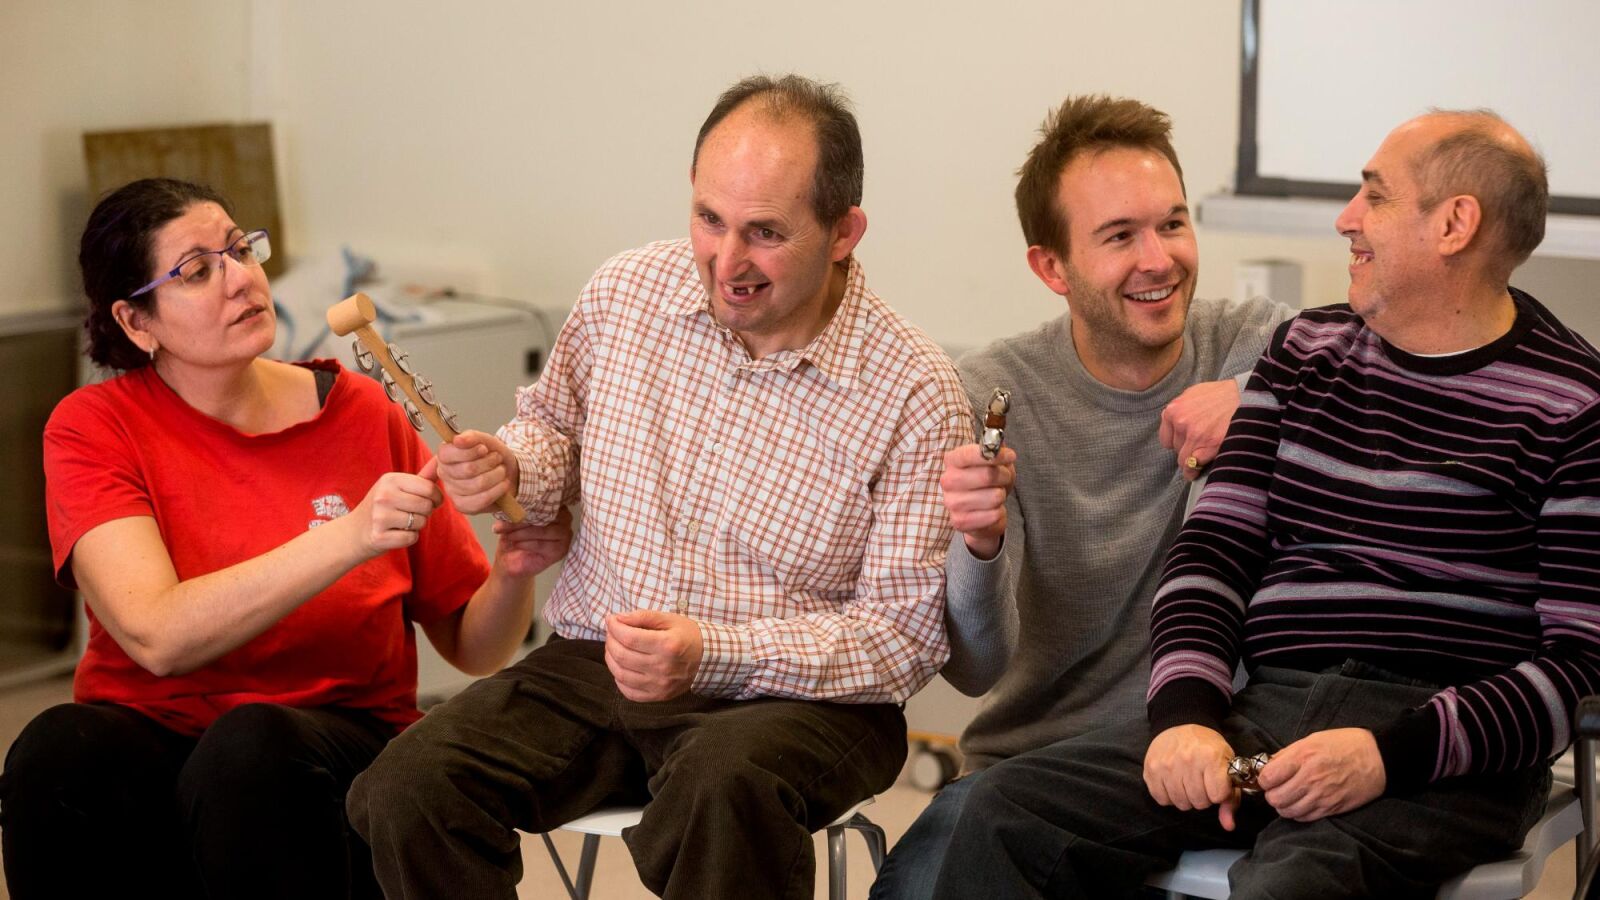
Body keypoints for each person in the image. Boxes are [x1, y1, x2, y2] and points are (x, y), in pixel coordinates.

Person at [932, 109, 1598, 899]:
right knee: (1001, 813)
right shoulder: (1304, 352)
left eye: (1376, 196)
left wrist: (1388, 755)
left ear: (1454, 225)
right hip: (1270, 710)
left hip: (1444, 753)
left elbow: (1581, 669)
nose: (1346, 218)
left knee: (1290, 882)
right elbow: (1213, 556)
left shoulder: (1573, 405)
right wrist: (1186, 715)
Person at [346, 74, 970, 900]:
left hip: (796, 699)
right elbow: (551, 432)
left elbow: (900, 639)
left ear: (843, 231)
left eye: (766, 233)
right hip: (597, 661)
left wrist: (711, 652)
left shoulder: (914, 389)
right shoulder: (626, 294)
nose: (727, 261)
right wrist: (512, 467)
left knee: (723, 786)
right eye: (709, 219)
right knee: (405, 788)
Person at [0, 178, 571, 900]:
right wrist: (351, 536)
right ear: (136, 321)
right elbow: (156, 635)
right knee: (55, 752)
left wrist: (514, 571)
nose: (241, 279)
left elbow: (473, 646)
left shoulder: (361, 412)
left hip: (333, 744)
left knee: (251, 747)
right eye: (196, 271)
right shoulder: (93, 427)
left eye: (240, 250)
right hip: (156, 733)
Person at [869, 94, 1291, 900]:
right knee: (925, 877)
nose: (1159, 259)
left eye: (1172, 224)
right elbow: (976, 670)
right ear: (1051, 268)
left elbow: (1383, 378)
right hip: (1034, 767)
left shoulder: (1258, 344)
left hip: (1205, 757)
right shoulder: (990, 392)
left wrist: (1252, 397)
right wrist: (980, 545)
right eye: (1119, 236)